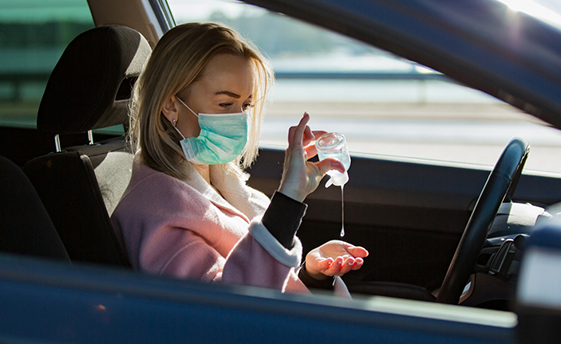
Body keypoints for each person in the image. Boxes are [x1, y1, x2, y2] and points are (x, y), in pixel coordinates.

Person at [111, 22, 368, 295]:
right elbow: (227, 312)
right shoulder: (157, 210)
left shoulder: (224, 187)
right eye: (225, 104)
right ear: (170, 105)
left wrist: (312, 275)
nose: (239, 118)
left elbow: (260, 277)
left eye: (245, 105)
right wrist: (288, 199)